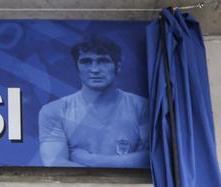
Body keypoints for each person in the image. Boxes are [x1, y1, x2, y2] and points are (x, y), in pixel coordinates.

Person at [38, 36, 149, 167]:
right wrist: (127, 162)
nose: (95, 70)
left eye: (103, 61)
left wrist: (88, 159)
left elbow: (152, 160)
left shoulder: (143, 107)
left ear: (117, 67)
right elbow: (55, 164)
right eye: (86, 62)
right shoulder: (54, 111)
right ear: (77, 69)